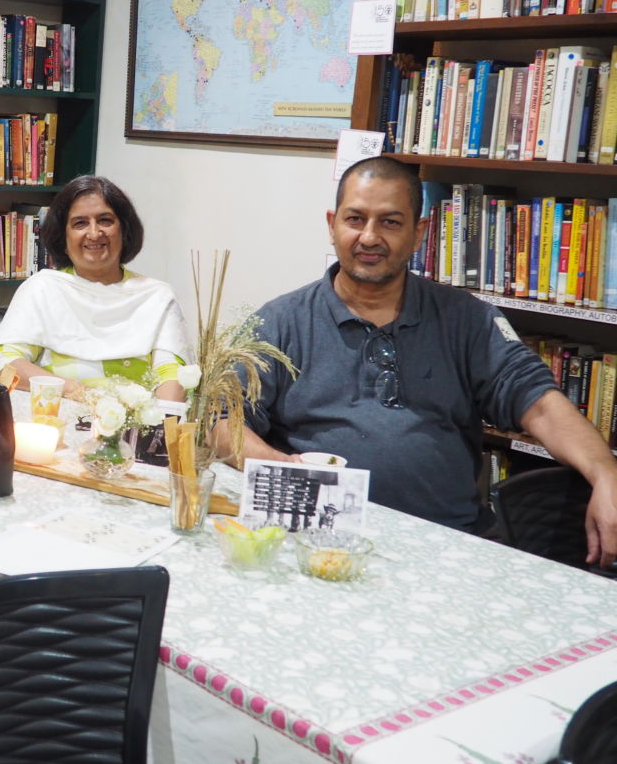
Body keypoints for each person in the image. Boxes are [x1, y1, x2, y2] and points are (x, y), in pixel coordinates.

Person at [215, 156, 617, 566]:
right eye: (355, 219)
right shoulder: (280, 321)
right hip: (319, 543)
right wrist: (285, 468)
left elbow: (541, 404)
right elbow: (221, 421)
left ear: (419, 233)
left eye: (390, 222)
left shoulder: (466, 319)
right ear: (332, 225)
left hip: (448, 543)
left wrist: (606, 474)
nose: (369, 237)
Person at [0, 175, 190, 401]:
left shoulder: (156, 297)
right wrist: (81, 394)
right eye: (80, 223)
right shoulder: (42, 289)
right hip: (56, 416)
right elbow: (0, 367)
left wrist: (154, 420)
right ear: (63, 237)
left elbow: (172, 376)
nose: (94, 233)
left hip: (136, 421)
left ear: (124, 230)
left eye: (105, 221)